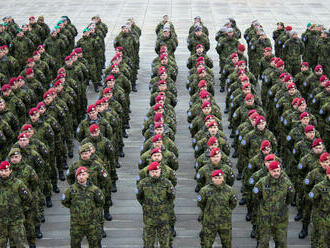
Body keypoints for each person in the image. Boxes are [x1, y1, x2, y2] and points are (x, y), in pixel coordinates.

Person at [253, 161, 295, 247]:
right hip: (265, 217)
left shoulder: (286, 183)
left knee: (281, 242)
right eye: (274, 171)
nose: (276, 173)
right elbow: (256, 196)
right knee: (263, 242)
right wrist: (264, 206)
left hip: (281, 217)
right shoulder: (262, 182)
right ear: (269, 171)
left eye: (278, 171)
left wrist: (283, 205)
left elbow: (290, 197)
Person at [62, 166, 105, 248]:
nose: (81, 177)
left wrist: (92, 209)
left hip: (91, 223)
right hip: (76, 223)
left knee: (94, 244)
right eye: (79, 175)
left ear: (87, 175)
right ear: (76, 176)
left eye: (83, 174)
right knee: (75, 244)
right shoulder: (71, 190)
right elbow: (64, 201)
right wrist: (74, 209)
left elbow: (101, 202)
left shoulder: (94, 189)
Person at [136, 162, 175, 248]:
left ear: (160, 171)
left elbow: (171, 197)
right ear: (149, 172)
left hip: (163, 217)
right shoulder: (143, 183)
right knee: (148, 243)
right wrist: (146, 205)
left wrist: (164, 207)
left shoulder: (166, 183)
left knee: (165, 243)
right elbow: (139, 197)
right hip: (149, 217)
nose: (155, 174)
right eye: (152, 172)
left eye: (156, 171)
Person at [197, 169, 237, 248]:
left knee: (227, 244)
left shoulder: (229, 190)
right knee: (206, 244)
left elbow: (233, 203)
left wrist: (226, 211)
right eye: (215, 178)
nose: (217, 180)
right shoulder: (205, 190)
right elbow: (201, 203)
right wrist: (208, 211)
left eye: (219, 177)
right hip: (209, 222)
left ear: (223, 178)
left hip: (225, 222)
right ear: (212, 178)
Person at [0, 161, 32, 248]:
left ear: (10, 171)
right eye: (2, 171)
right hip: (1, 221)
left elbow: (28, 199)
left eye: (6, 170)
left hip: (16, 221)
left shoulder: (18, 184)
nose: (3, 173)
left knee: (21, 244)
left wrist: (20, 210)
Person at [308, 166, 330, 248]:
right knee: (322, 240)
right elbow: (311, 197)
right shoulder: (319, 187)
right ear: (327, 175)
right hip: (322, 217)